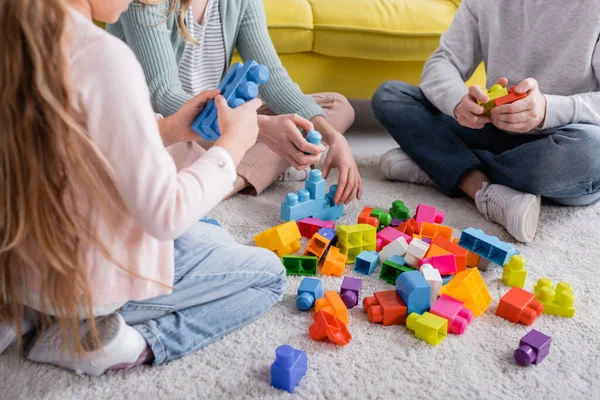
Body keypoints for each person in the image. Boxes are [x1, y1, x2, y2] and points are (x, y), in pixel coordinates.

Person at [0, 0, 286, 375]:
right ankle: (114, 340)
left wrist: (169, 129)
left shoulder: (19, 27)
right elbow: (164, 215)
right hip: (81, 284)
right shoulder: (104, 59)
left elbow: (78, 146)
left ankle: (25, 312)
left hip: (25, 267)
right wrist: (231, 147)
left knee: (214, 238)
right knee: (268, 274)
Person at [372, 0, 600, 243]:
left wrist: (547, 109)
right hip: (491, 130)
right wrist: (458, 103)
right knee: (391, 95)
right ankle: (476, 185)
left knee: (592, 152)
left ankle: (442, 164)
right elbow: (444, 60)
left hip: (558, 144)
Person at [107, 0, 362, 205]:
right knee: (152, 156)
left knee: (335, 107)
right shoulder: (146, 3)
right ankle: (241, 175)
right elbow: (163, 95)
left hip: (219, 121)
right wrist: (255, 128)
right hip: (171, 125)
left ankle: (231, 173)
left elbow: (274, 81)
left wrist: (333, 137)